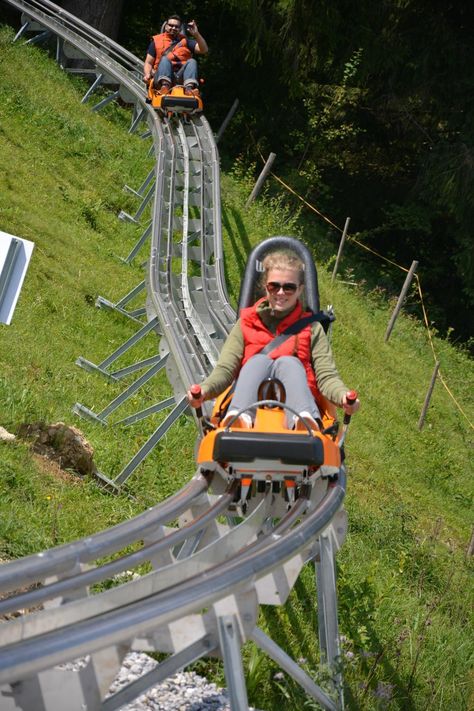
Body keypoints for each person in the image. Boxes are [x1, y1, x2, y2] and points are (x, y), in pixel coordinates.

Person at [187, 249, 360, 429]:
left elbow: (326, 376)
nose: (281, 292)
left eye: (289, 287)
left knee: (289, 363)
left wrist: (343, 396)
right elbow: (225, 369)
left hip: (297, 399)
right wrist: (204, 390)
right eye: (274, 286)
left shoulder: (312, 329)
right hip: (251, 398)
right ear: (265, 286)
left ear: (300, 289)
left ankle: (303, 419)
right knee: (257, 361)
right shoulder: (246, 323)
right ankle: (241, 418)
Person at [143, 15, 208, 97]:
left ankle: (189, 89)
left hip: (181, 77)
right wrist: (147, 75)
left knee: (192, 61)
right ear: (166, 26)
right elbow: (148, 62)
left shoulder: (186, 41)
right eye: (171, 25)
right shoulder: (156, 41)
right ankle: (165, 87)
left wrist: (196, 34)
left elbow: (204, 50)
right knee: (165, 59)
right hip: (161, 76)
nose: (173, 28)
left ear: (180, 29)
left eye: (176, 26)